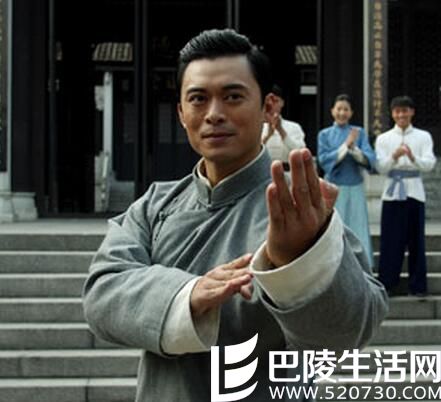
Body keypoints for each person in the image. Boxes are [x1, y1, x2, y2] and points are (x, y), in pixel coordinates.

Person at [83, 29, 388, 402]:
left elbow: (347, 333)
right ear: (181, 113)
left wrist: (301, 262)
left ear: (268, 108)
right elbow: (102, 294)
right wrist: (187, 294)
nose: (214, 114)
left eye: (233, 97)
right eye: (198, 99)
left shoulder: (298, 209)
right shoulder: (154, 207)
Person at [375, 95, 436, 297]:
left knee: (416, 241)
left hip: (414, 192)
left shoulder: (423, 136)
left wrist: (412, 157)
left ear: (412, 112)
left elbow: (429, 164)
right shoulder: (384, 139)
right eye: (397, 111)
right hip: (392, 193)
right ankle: (388, 283)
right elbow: (380, 167)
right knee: (390, 241)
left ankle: (418, 286)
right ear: (392, 114)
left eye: (405, 110)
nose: (401, 115)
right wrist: (394, 156)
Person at [317, 94, 377, 268]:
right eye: (339, 109)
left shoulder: (359, 132)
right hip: (333, 188)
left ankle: (361, 267)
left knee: (358, 228)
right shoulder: (325, 134)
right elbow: (323, 159)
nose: (342, 113)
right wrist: (345, 146)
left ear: (351, 113)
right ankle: (332, 266)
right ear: (332, 111)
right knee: (334, 228)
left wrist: (354, 148)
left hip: (355, 186)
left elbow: (370, 157)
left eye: (346, 109)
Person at [261, 84, 306, 168]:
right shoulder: (258, 126)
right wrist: (267, 136)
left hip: (288, 171)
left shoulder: (294, 127)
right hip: (264, 171)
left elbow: (300, 153)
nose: (272, 105)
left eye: (276, 101)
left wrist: (281, 131)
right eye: (269, 102)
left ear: (282, 103)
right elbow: (250, 154)